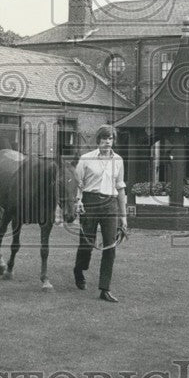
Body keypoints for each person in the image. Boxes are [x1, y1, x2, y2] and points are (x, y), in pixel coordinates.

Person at [73, 125, 128, 303]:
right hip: (90, 203)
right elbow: (77, 183)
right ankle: (79, 270)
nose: (107, 142)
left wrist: (123, 216)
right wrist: (78, 200)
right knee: (86, 244)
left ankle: (105, 288)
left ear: (113, 141)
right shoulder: (86, 159)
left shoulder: (119, 160)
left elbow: (120, 188)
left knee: (110, 247)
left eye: (110, 138)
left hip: (110, 205)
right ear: (98, 140)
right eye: (104, 138)